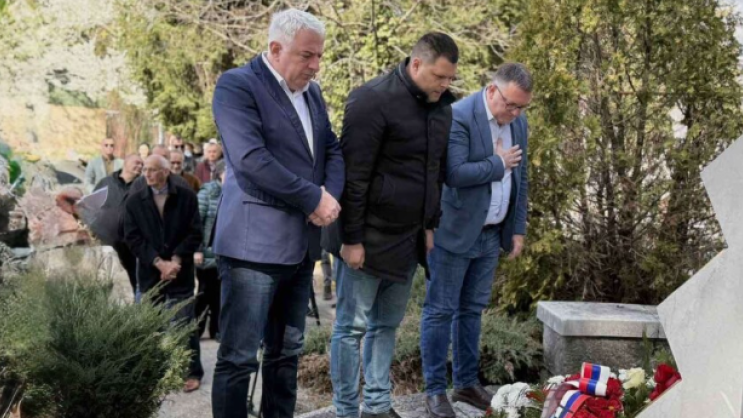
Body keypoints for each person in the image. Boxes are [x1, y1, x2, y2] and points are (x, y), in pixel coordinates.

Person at [210, 8, 344, 418]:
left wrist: (328, 198)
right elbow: (251, 160)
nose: (316, 65)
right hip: (252, 249)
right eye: (307, 55)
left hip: (301, 247)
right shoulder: (237, 86)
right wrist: (313, 199)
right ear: (275, 48)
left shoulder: (312, 93)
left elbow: (331, 148)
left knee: (286, 355)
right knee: (239, 358)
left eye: (319, 55)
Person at [331, 33, 458, 418]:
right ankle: (345, 411)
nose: (445, 85)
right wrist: (351, 239)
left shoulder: (442, 108)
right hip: (366, 237)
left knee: (386, 325)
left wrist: (429, 226)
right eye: (439, 76)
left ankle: (377, 405)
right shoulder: (371, 99)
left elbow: (434, 172)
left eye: (450, 78)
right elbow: (354, 177)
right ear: (416, 64)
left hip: (408, 238)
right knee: (350, 329)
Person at [420, 63, 532, 418]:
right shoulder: (459, 116)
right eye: (510, 105)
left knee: (472, 310)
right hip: (454, 232)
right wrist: (498, 163)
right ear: (492, 90)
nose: (515, 114)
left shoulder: (519, 123)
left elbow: (522, 177)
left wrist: (517, 228)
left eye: (522, 107)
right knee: (440, 311)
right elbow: (454, 173)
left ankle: (466, 383)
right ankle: (434, 391)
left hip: (491, 234)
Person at [123, 154, 204, 393]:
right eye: (145, 169)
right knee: (151, 325)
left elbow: (195, 233)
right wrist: (159, 263)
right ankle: (153, 371)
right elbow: (132, 238)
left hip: (181, 271)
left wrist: (176, 260)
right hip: (150, 272)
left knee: (184, 322)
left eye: (152, 169)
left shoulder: (186, 196)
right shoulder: (134, 200)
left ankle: (191, 371)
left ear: (166, 172)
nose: (146, 174)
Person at [90, 154, 144, 296]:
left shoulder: (143, 186)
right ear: (125, 162)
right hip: (106, 242)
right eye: (136, 162)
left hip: (131, 245)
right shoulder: (106, 182)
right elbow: (91, 207)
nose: (140, 166)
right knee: (104, 280)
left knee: (133, 281)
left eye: (142, 164)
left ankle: (133, 308)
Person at [194, 160, 225, 340]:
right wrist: (197, 249)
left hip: (223, 253)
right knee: (205, 292)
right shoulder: (207, 193)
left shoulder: (233, 192)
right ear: (220, 173)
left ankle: (217, 330)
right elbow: (196, 222)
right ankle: (196, 331)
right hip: (205, 252)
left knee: (219, 294)